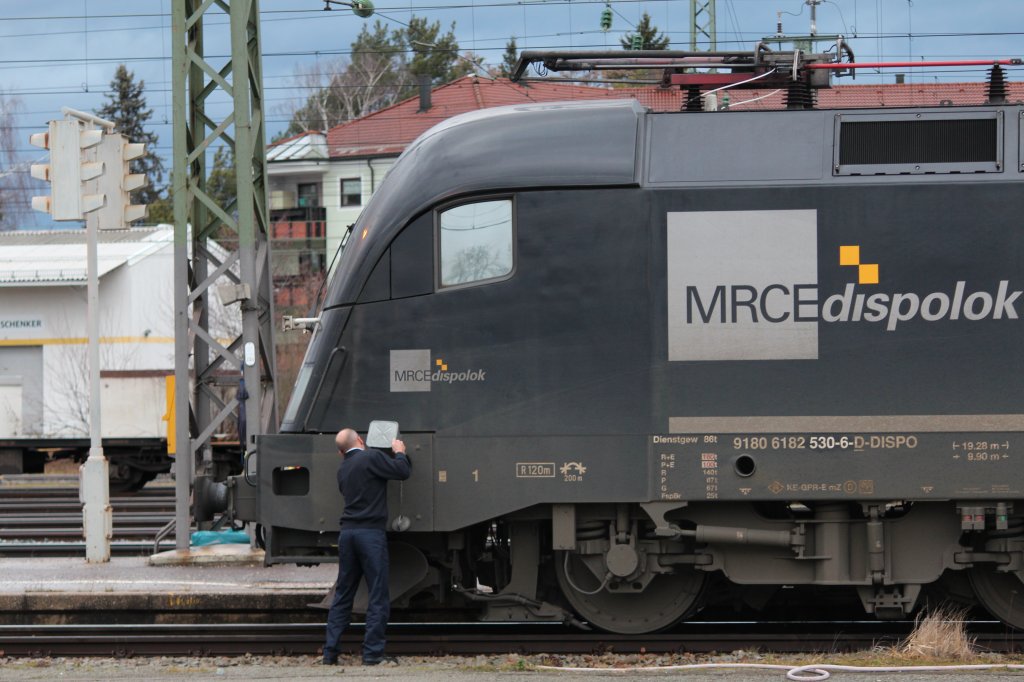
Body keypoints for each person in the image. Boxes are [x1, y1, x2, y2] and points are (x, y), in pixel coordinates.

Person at [322, 427, 411, 666]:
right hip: (370, 535)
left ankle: (330, 654)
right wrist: (399, 452)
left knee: (343, 594)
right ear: (360, 440)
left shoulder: (343, 470)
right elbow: (402, 471)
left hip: (347, 535)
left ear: (341, 453)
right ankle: (372, 654)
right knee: (377, 594)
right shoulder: (371, 457)